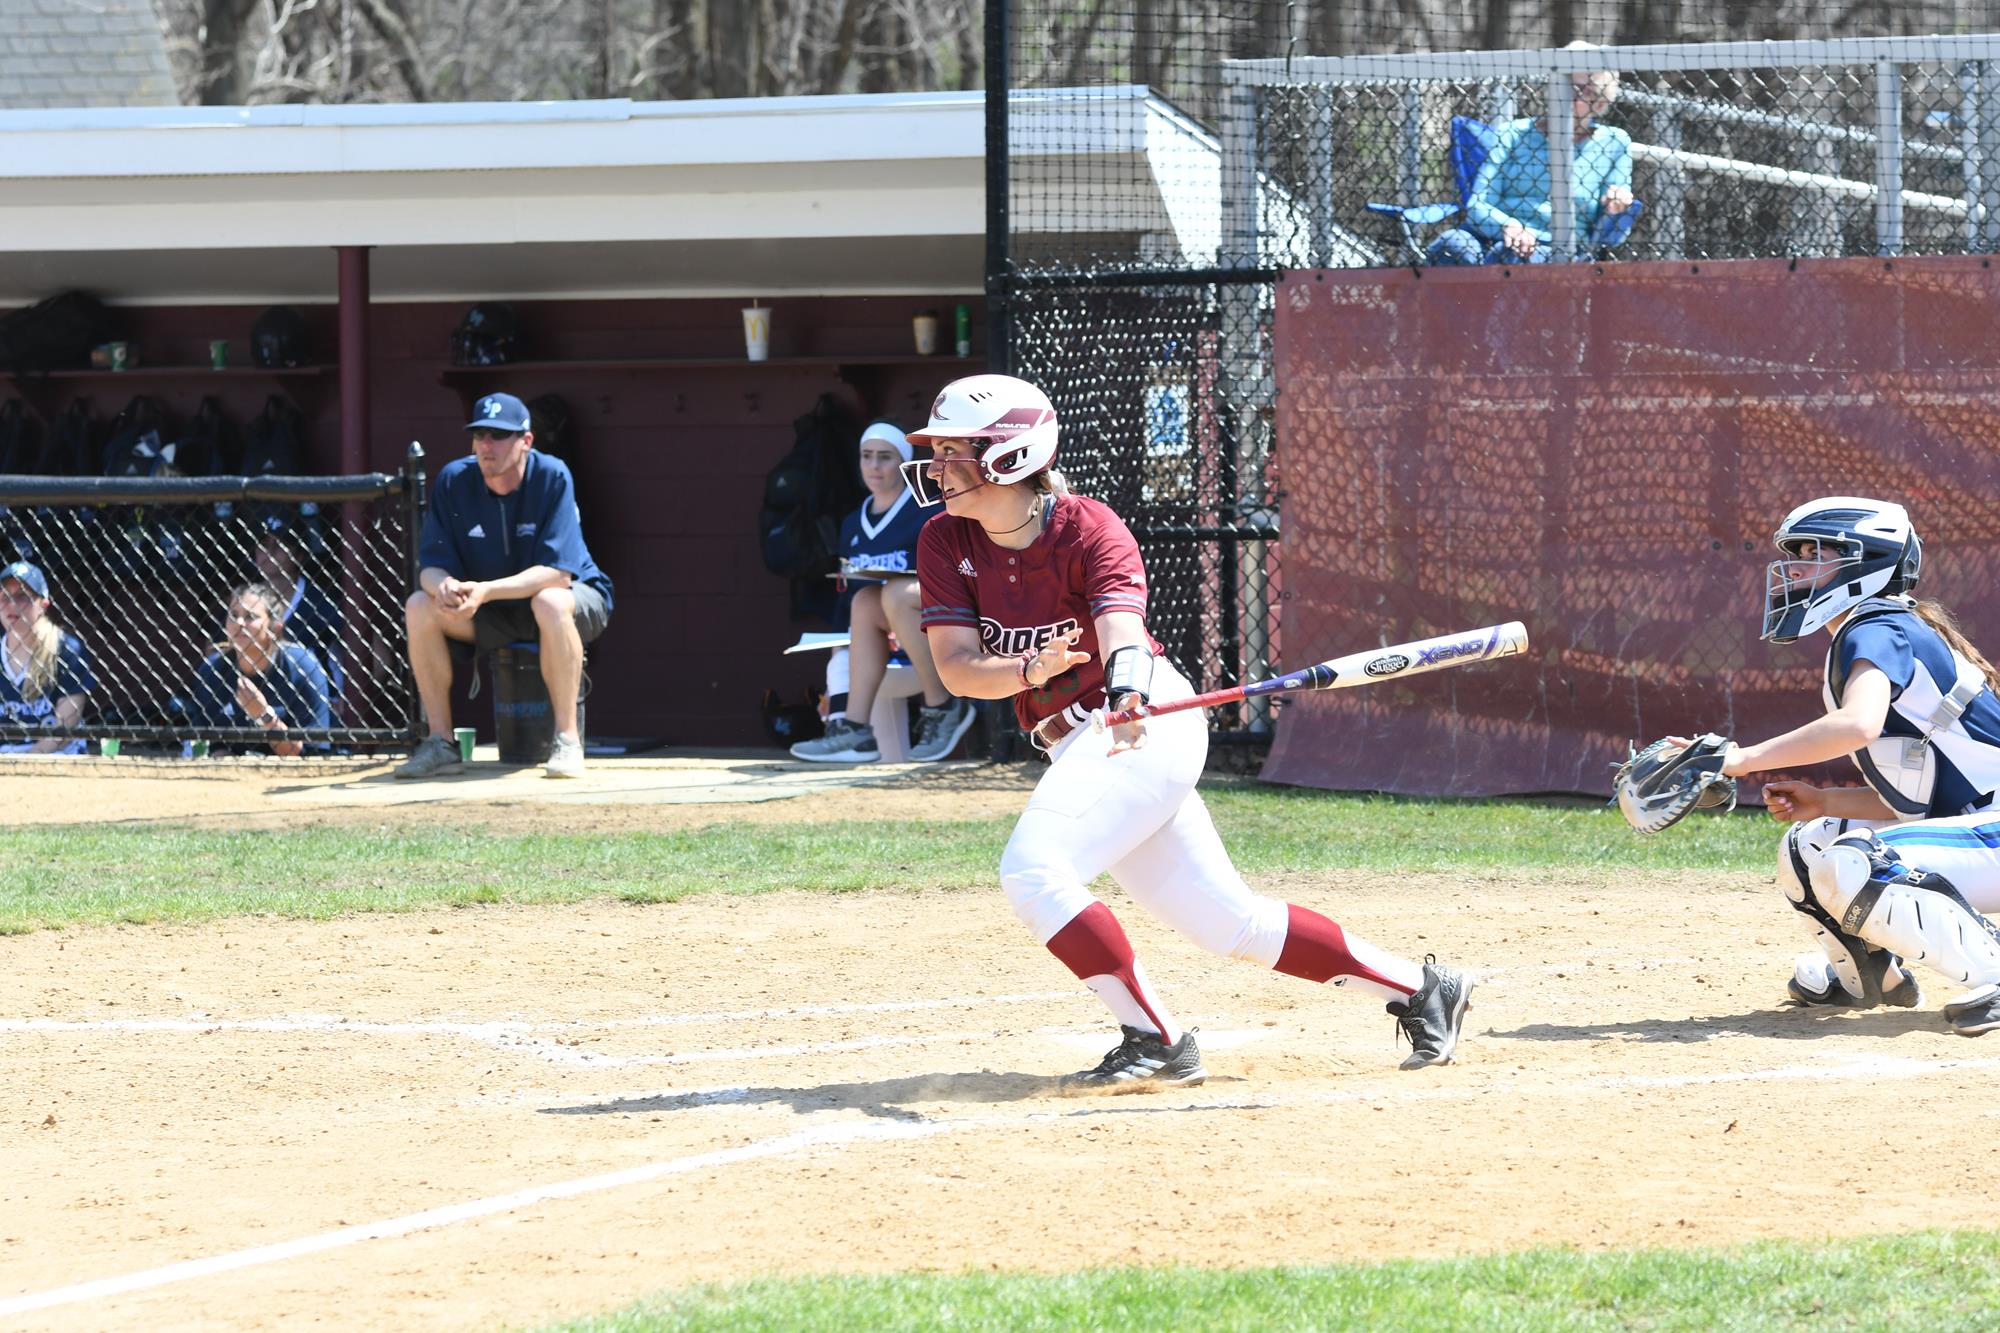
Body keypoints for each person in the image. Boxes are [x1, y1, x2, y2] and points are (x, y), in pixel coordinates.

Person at [903, 374, 1473, 1088]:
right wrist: (1026, 670)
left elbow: (1123, 630)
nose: (937, 467)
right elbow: (958, 669)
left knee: (1034, 869)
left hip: (1138, 725)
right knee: (1229, 924)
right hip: (1076, 742)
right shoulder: (943, 541)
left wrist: (1128, 689)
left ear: (1012, 457)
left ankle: (1156, 1038)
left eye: (956, 452)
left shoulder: (1088, 526)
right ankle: (1423, 989)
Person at [1701, 496, 2000, 1036]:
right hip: (1985, 830)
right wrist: (1827, 802)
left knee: (1855, 862)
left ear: (1868, 565)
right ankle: (1867, 975)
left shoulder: (1876, 626)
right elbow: (1931, 800)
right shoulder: (1875, 628)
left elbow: (1858, 725)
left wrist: (1742, 760)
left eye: (1817, 553)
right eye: (1797, 553)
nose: (1795, 567)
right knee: (1808, 844)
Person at [397, 392, 612, 780]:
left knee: (549, 601)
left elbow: (558, 573)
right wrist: (444, 587)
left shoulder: (551, 475)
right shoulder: (453, 480)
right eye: (479, 435)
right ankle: (441, 742)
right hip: (492, 609)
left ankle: (567, 741)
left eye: (498, 435)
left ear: (525, 441)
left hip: (571, 601)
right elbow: (429, 568)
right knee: (419, 605)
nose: (486, 445)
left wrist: (484, 591)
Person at [790, 421, 974, 763]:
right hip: (890, 635)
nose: (874, 466)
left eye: (885, 457)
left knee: (895, 592)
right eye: (867, 456)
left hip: (941, 622)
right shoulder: (852, 521)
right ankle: (855, 730)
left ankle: (944, 707)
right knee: (864, 601)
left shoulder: (928, 507)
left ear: (902, 463)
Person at [1426, 51, 1634, 266]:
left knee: (1510, 257)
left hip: (1556, 247)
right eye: (1564, 85)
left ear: (1599, 102)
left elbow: (1616, 235)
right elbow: (1478, 204)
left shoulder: (1615, 143)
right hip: (1496, 232)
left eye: (1584, 91)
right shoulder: (1512, 133)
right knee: (1451, 245)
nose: (1570, 95)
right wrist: (1508, 225)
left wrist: (1617, 209)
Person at [187, 581, 330, 757]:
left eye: (250, 617)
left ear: (275, 628)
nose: (238, 622)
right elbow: (198, 742)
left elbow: (309, 756)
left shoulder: (304, 667)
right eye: (233, 614)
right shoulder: (211, 670)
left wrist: (265, 717)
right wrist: (218, 758)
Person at [0, 560, 92, 754]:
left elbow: (63, 733)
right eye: (5, 597)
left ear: (43, 604)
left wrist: (24, 764)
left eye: (23, 596)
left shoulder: (66, 648)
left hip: (55, 757)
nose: (12, 604)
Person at [252, 528, 344, 712]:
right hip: (260, 709)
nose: (270, 551)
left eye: (280, 545)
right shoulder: (245, 602)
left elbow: (380, 658)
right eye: (263, 545)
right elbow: (214, 650)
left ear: (300, 555)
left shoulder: (320, 602)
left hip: (314, 711)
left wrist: (343, 704)